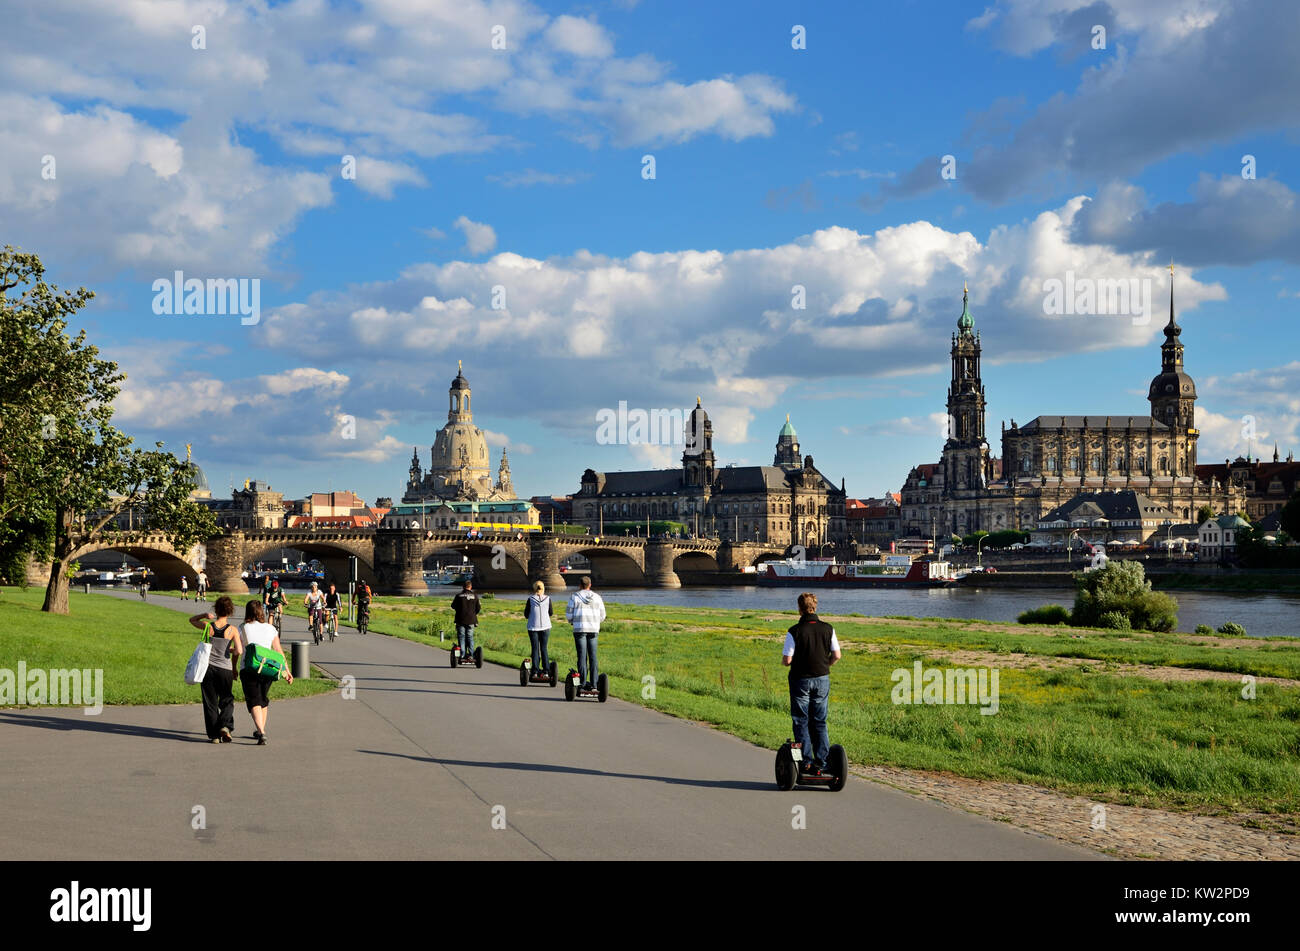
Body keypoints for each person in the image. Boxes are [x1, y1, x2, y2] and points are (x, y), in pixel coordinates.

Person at [780, 592, 842, 777]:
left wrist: (787, 662)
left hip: (800, 680)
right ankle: (821, 762)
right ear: (815, 607)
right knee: (819, 721)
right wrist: (825, 665)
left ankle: (806, 762)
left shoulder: (794, 631)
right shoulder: (828, 629)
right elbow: (837, 655)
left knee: (801, 720)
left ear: (799, 609)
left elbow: (787, 660)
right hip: (822, 679)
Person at [239, 600, 292, 745]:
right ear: (262, 612)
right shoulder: (270, 628)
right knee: (263, 699)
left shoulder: (243, 627)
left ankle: (261, 732)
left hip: (249, 667)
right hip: (267, 668)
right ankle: (261, 729)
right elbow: (278, 651)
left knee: (254, 700)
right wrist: (287, 671)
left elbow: (239, 649)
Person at [189, 596, 242, 743]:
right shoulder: (232, 630)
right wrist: (233, 664)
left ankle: (214, 736)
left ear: (216, 610)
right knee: (227, 699)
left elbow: (192, 620)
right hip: (224, 669)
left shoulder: (208, 626)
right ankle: (225, 726)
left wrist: (204, 615)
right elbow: (239, 650)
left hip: (208, 668)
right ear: (230, 611)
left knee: (210, 702)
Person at [566, 576, 606, 689]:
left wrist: (573, 621)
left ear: (580, 585)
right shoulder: (597, 597)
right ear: (590, 585)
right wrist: (595, 622)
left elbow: (569, 615)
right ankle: (594, 684)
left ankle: (582, 682)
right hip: (593, 630)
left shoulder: (574, 597)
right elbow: (603, 615)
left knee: (582, 657)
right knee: (593, 657)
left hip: (580, 629)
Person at [523, 580, 553, 674]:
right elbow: (551, 613)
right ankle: (546, 670)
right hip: (545, 626)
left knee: (535, 648)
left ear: (534, 588)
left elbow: (526, 614)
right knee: (544, 648)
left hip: (533, 627)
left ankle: (535, 670)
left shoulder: (530, 599)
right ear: (543, 588)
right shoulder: (548, 598)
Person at [451, 580, 481, 658]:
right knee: (470, 637)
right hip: (471, 620)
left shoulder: (458, 596)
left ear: (463, 587)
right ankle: (471, 655)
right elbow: (478, 608)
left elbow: (453, 606)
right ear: (470, 587)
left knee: (461, 637)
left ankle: (462, 654)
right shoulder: (475, 596)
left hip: (460, 620)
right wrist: (473, 614)